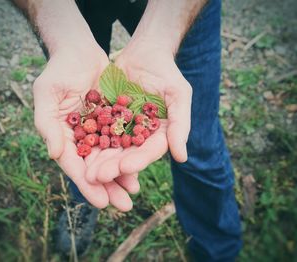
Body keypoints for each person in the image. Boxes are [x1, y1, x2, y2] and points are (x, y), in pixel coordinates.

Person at [12, 0, 242, 260]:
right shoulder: (99, 119)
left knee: (196, 139)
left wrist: (159, 40)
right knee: (81, 156)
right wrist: (64, 38)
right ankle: (82, 198)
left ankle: (216, 248)